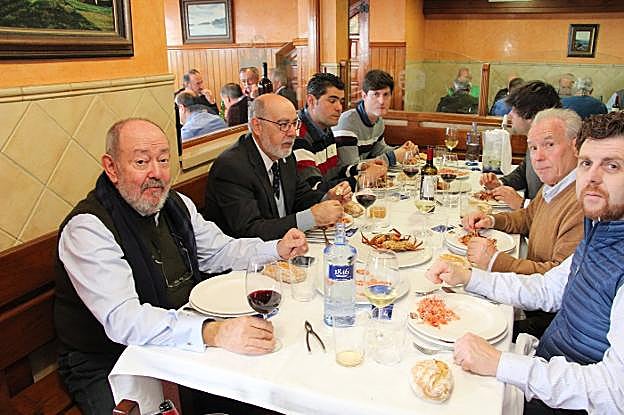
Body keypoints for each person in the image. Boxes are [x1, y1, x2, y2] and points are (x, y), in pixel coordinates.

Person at [54, 118, 308, 414]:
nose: (156, 173)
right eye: (141, 162)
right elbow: (124, 320)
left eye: (163, 160)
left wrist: (275, 249)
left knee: (264, 391)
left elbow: (220, 250)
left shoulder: (175, 204)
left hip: (179, 337)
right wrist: (214, 333)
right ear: (111, 167)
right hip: (111, 360)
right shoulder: (88, 229)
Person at [426, 111, 624, 414]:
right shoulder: (600, 228)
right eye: (587, 163)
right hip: (548, 362)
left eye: (612, 165)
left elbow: (614, 391)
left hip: (567, 401)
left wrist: (500, 364)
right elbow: (549, 289)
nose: (592, 177)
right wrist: (469, 278)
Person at [463, 108, 584, 338]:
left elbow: (556, 280)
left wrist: (496, 261)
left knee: (467, 325)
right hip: (530, 298)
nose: (538, 157)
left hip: (552, 323)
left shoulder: (583, 201)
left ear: (575, 146)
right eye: (533, 148)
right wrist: (491, 220)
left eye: (549, 145)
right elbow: (528, 218)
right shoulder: (555, 184)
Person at [204, 94, 351, 241]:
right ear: (257, 126)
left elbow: (300, 196)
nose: (293, 133)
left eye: (294, 123)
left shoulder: (283, 153)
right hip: (249, 252)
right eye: (283, 125)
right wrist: (311, 217)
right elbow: (250, 230)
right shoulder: (232, 167)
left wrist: (326, 198)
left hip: (284, 244)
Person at [480, 81, 561, 209]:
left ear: (529, 114)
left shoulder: (557, 152)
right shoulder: (535, 141)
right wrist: (500, 183)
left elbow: (557, 207)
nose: (510, 115)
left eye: (514, 110)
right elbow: (523, 172)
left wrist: (522, 203)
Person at [333, 69, 416, 178]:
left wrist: (402, 149)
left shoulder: (379, 121)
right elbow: (351, 168)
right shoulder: (347, 123)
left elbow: (378, 150)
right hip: (344, 183)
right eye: (376, 94)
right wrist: (393, 156)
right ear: (364, 96)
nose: (381, 101)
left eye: (386, 94)